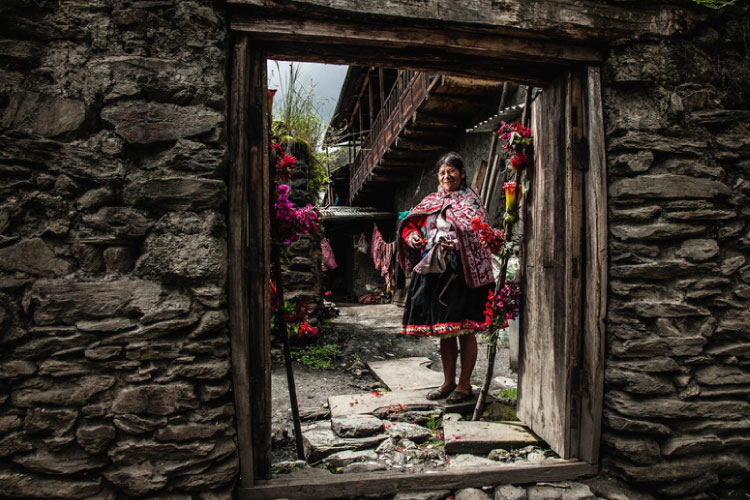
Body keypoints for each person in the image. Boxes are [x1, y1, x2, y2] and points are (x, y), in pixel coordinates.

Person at [397, 152, 494, 404]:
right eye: (441, 173)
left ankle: (464, 385)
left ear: (462, 173)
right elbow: (411, 224)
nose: (446, 176)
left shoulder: (471, 201)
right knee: (445, 331)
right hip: (435, 272)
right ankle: (448, 382)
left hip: (461, 272)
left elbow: (479, 233)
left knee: (464, 329)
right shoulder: (431, 200)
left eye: (451, 171)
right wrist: (413, 237)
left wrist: (455, 244)